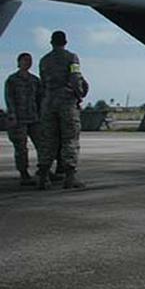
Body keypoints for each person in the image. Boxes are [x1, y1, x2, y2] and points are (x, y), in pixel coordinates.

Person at [37, 30, 88, 190]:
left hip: (48, 103)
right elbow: (75, 78)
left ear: (51, 43)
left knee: (48, 140)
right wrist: (79, 95)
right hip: (66, 102)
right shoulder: (71, 57)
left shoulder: (44, 60)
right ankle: (70, 177)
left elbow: (43, 83)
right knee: (70, 139)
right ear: (65, 42)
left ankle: (43, 177)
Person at [4, 53, 43, 185]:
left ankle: (43, 170)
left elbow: (40, 98)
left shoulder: (35, 80)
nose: (28, 62)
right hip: (19, 119)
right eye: (25, 60)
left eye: (30, 60)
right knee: (21, 148)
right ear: (19, 62)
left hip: (33, 118)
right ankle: (24, 173)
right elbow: (9, 99)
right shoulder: (12, 80)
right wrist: (12, 115)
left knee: (42, 145)